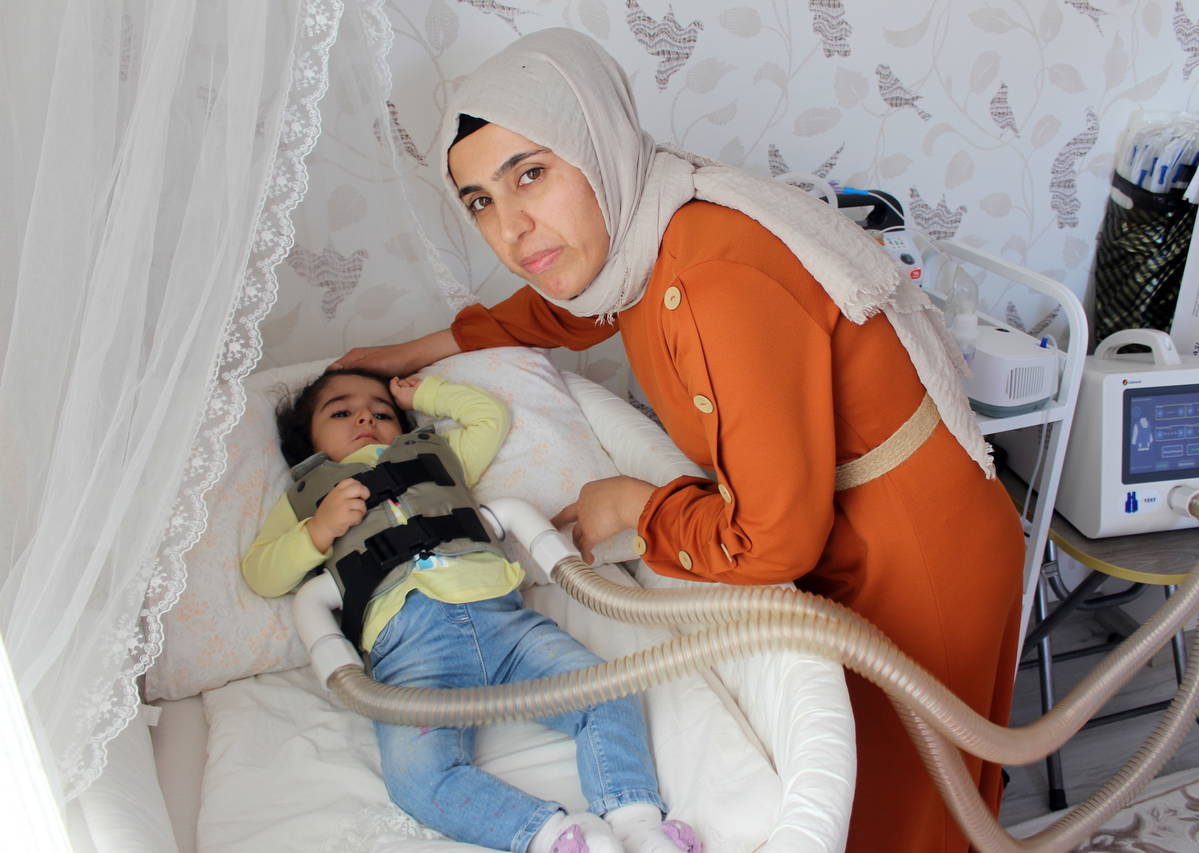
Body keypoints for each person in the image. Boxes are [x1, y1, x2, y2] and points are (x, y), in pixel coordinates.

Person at [331, 28, 1025, 853]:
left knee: (903, 825)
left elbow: (772, 539)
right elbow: (556, 312)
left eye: (531, 173)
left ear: (596, 143)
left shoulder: (706, 278)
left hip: (917, 552)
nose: (512, 228)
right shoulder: (645, 231)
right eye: (480, 200)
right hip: (854, 527)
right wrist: (407, 354)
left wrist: (634, 503)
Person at [242, 367, 700, 853]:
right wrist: (318, 530)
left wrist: (423, 392)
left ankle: (635, 821)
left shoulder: (435, 455)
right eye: (341, 412)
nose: (365, 417)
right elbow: (261, 573)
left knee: (608, 692)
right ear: (308, 441)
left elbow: (488, 417)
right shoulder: (306, 497)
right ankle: (554, 837)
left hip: (508, 628)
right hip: (411, 656)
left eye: (382, 411)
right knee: (416, 779)